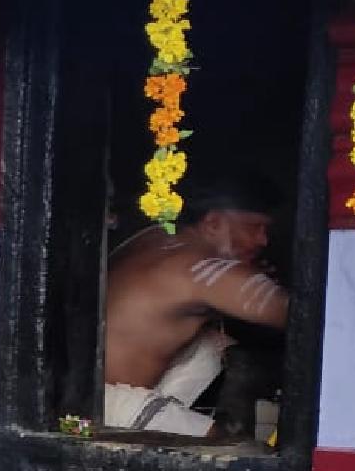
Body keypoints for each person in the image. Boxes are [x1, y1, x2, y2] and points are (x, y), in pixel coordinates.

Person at [102, 176, 290, 438]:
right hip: (102, 409)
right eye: (254, 227)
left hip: (87, 394)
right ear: (213, 223)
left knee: (213, 344)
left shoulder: (155, 238)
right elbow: (298, 316)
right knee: (228, 455)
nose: (263, 240)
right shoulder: (204, 268)